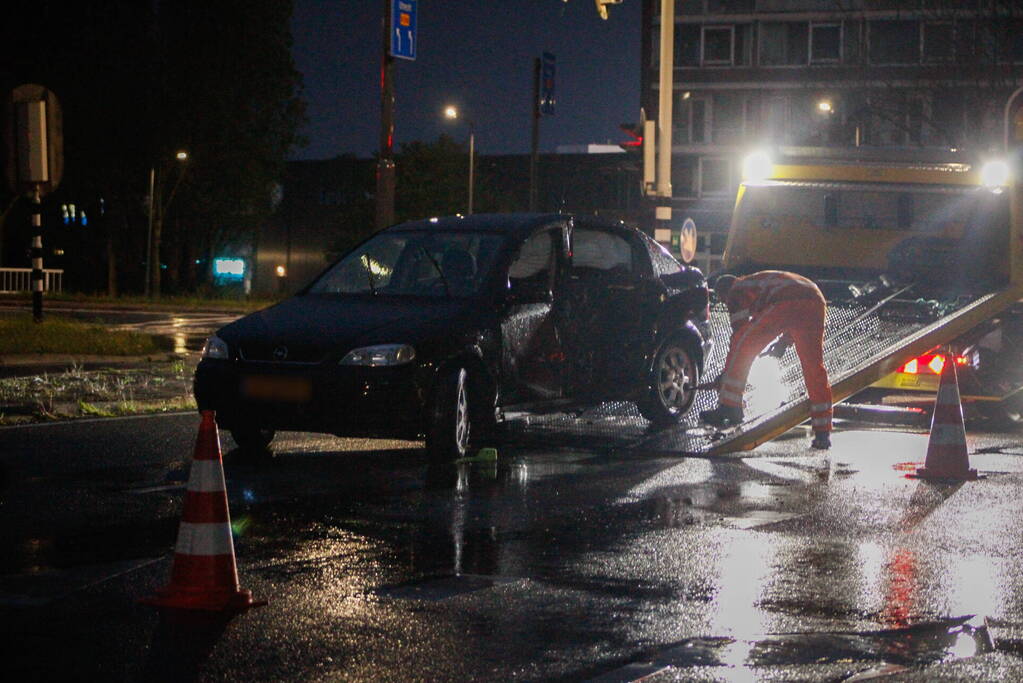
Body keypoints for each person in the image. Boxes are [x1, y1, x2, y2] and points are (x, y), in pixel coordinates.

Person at [700, 270, 833, 449]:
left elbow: (740, 334)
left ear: (723, 292)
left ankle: (730, 407)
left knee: (741, 345)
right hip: (816, 301)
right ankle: (823, 433)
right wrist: (783, 343)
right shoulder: (758, 285)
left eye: (722, 300)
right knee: (814, 368)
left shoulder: (735, 289)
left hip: (785, 302)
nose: (725, 303)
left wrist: (727, 374)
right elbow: (797, 315)